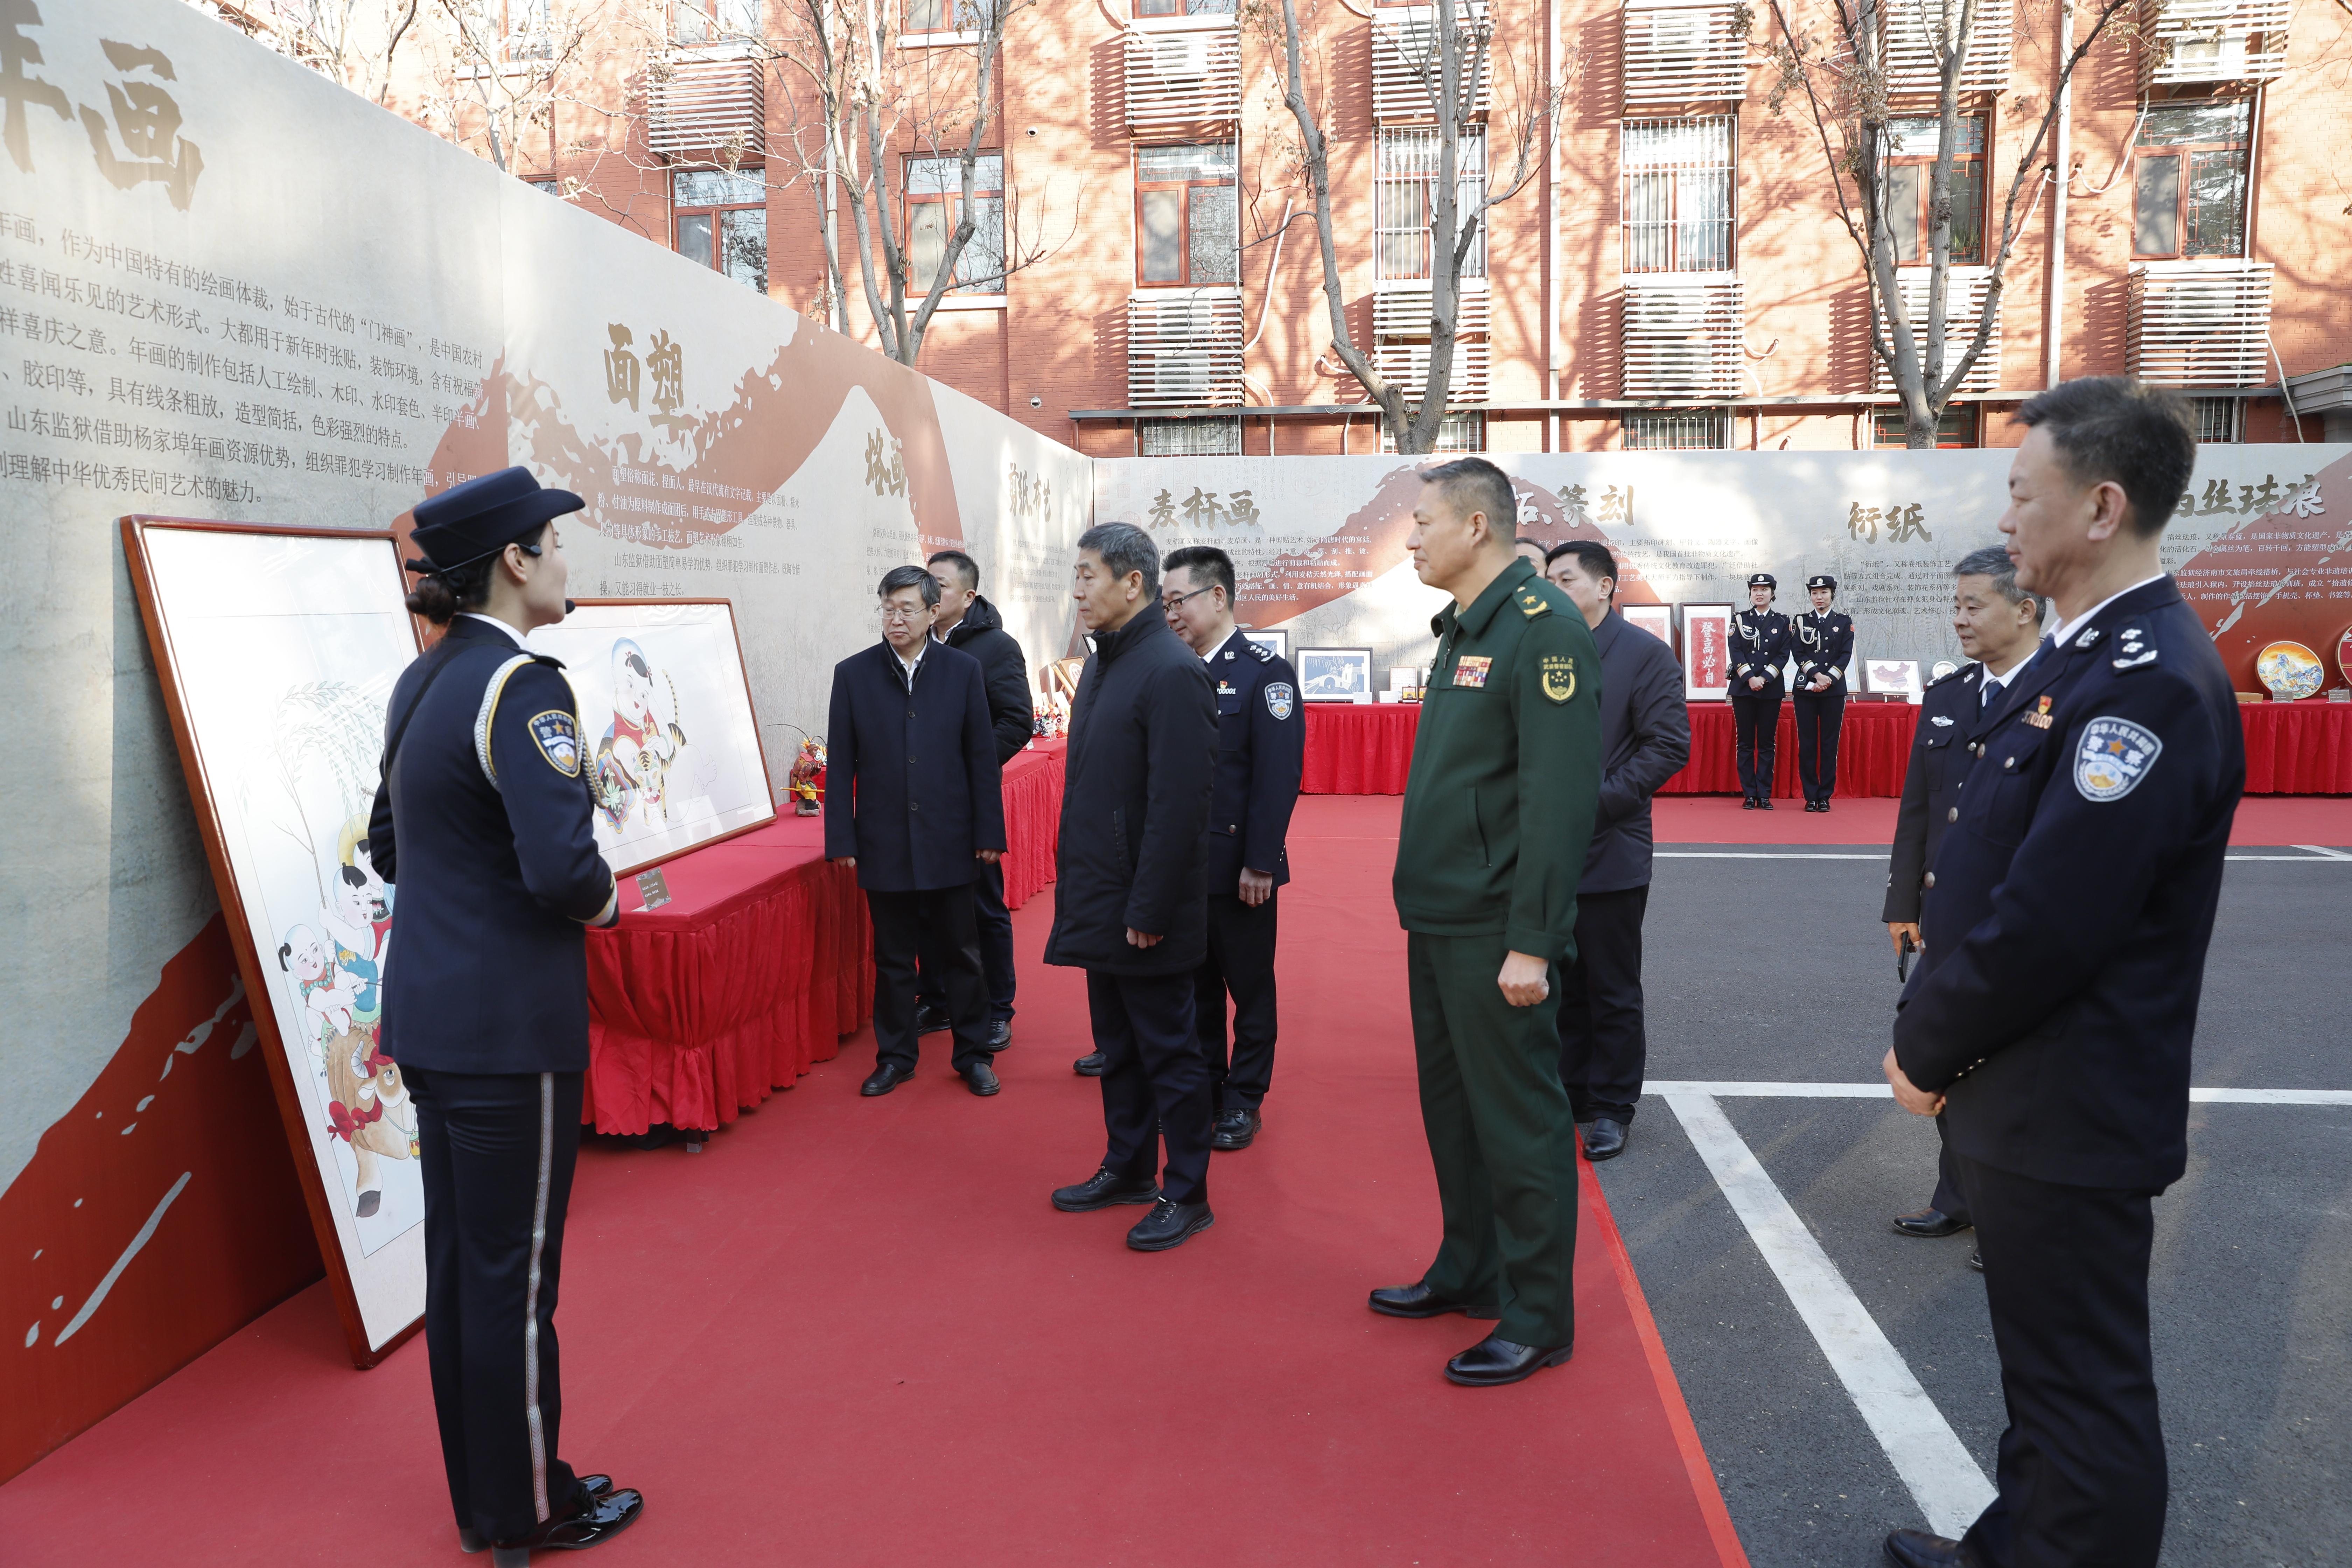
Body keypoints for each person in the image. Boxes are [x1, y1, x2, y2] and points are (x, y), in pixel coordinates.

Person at [1880, 379, 2244, 1568]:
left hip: (2068, 1097)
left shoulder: (2145, 679)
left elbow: (2052, 921)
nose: (2006, 514)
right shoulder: (2082, 661)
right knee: (2044, 1376)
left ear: (2100, 507)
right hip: (2028, 1091)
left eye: (2022, 493)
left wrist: (1925, 1044)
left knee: (2083, 1392)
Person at [368, 467, 642, 1566]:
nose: (568, 560)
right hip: (508, 1034)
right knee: (514, 1277)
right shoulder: (525, 686)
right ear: (517, 561)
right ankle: (530, 1507)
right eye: (556, 542)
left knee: (462, 1271)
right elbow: (564, 869)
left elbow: (390, 845)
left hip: (433, 1019)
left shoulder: (421, 681)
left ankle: (490, 1497)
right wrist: (615, 896)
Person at [1372, 457, 1602, 1388]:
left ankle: (1539, 1314)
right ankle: (1469, 1269)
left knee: (1518, 1123)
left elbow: (1556, 804)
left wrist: (1533, 942)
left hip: (1495, 929)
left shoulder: (1542, 632)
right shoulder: (1469, 627)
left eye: (1423, 522)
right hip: (1441, 916)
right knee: (1455, 1113)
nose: (1412, 537)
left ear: (1476, 528)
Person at [1044, 522, 1220, 1252]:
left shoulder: (1171, 671)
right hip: (1102, 897)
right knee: (1117, 1046)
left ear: (1133, 583)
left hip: (1145, 909)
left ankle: (1187, 1190)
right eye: (1077, 576)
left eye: (1089, 576)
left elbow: (1181, 808)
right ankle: (1127, 1166)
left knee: (1170, 1052)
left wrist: (1148, 906)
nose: (1078, 590)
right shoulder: (1107, 663)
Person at [1882, 545, 2045, 1249]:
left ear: (2025, 607)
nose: (1960, 619)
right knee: (1946, 1053)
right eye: (1956, 605)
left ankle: (2013, 1211)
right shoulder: (1950, 694)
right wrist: (1902, 902)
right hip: (1946, 914)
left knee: (2011, 1071)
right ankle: (1960, 1196)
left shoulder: (2062, 696)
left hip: (2018, 921)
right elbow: (1918, 808)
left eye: (1973, 605)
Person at [826, 565, 1007, 1099]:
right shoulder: (854, 674)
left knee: (962, 953)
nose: (895, 618)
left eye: (907, 609)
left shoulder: (963, 670)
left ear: (934, 613)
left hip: (950, 835)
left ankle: (974, 1055)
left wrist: (988, 831)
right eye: (887, 608)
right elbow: (841, 766)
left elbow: (981, 758)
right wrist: (842, 839)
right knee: (894, 958)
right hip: (883, 839)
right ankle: (897, 1056)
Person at [1541, 541, 1690, 1163]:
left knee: (1611, 984)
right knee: (1560, 981)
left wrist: (1593, 805)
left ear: (1606, 586)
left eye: (1566, 579)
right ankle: (1572, 1091)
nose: (1553, 589)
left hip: (1608, 847)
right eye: (1547, 579)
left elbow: (1667, 747)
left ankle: (1611, 1107)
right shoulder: (1545, 647)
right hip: (1544, 849)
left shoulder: (1644, 655)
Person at [1159, 544, 1304, 1153]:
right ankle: (1209, 1088)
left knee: (1248, 987)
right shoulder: (1172, 669)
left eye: (1178, 601)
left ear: (1217, 596)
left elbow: (1277, 776)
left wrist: (1261, 861)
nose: (1170, 614)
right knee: (1194, 987)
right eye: (1163, 603)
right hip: (1182, 868)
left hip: (1239, 866)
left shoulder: (1263, 674)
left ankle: (1245, 1099)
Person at [909, 549, 1032, 1053]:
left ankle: (999, 1008)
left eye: (939, 585)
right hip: (916, 806)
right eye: (925, 584)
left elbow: (1016, 722)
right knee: (924, 905)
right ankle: (937, 1000)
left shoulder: (996, 648)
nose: (929, 594)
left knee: (982, 906)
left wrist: (966, 771)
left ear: (968, 596)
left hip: (967, 803)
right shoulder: (909, 642)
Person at [1790, 573, 1854, 812]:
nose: (1819, 598)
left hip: (1834, 691)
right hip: (1807, 690)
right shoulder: (1801, 621)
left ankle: (1825, 795)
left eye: (1824, 593)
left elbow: (1845, 655)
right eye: (1815, 594)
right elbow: (1798, 653)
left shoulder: (1844, 621)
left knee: (1829, 744)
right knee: (1807, 744)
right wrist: (1817, 676)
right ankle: (1810, 796)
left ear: (1832, 595)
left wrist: (1829, 680)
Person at [1729, 573, 1790, 809]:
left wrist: (1763, 679)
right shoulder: (1740, 620)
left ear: (1773, 594)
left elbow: (1784, 655)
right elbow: (1735, 651)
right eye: (1756, 589)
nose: (1760, 593)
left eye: (1765, 589)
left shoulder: (1782, 622)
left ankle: (1764, 793)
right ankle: (1749, 793)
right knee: (1745, 743)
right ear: (1751, 593)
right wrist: (1749, 678)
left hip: (1770, 689)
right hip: (1744, 689)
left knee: (1766, 743)